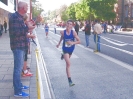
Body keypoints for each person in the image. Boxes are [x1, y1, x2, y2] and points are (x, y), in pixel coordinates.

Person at [9, 1, 35, 97]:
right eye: (27, 6)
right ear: (23, 8)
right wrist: (27, 28)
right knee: (18, 69)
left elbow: (21, 31)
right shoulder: (15, 18)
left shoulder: (19, 17)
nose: (27, 8)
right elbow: (16, 33)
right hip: (17, 46)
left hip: (21, 46)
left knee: (19, 68)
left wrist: (28, 28)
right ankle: (17, 91)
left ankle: (19, 85)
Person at [56, 19, 80, 87]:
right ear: (66, 24)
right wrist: (58, 44)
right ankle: (70, 80)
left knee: (67, 65)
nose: (69, 25)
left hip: (71, 49)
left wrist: (72, 42)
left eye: (70, 24)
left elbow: (79, 41)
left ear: (72, 26)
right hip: (65, 49)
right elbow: (62, 37)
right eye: (68, 24)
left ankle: (63, 55)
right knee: (69, 63)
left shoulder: (74, 32)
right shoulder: (62, 32)